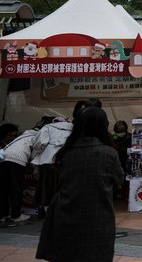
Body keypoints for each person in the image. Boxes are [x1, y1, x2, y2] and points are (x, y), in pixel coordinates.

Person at [35, 108, 123, 262]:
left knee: (68, 255)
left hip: (66, 213)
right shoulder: (109, 153)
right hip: (98, 217)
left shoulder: (66, 152)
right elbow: (119, 180)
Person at [30, 116, 73, 218]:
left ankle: (43, 208)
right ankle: (60, 210)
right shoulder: (73, 128)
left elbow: (40, 143)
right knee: (61, 185)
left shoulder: (48, 127)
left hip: (47, 160)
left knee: (45, 184)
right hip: (65, 160)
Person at [0, 123, 38, 225]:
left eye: (14, 135)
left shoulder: (22, 137)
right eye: (10, 135)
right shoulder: (36, 136)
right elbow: (36, 153)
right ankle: (16, 215)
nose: (14, 137)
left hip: (4, 159)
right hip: (17, 160)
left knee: (5, 188)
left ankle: (3, 215)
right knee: (15, 187)